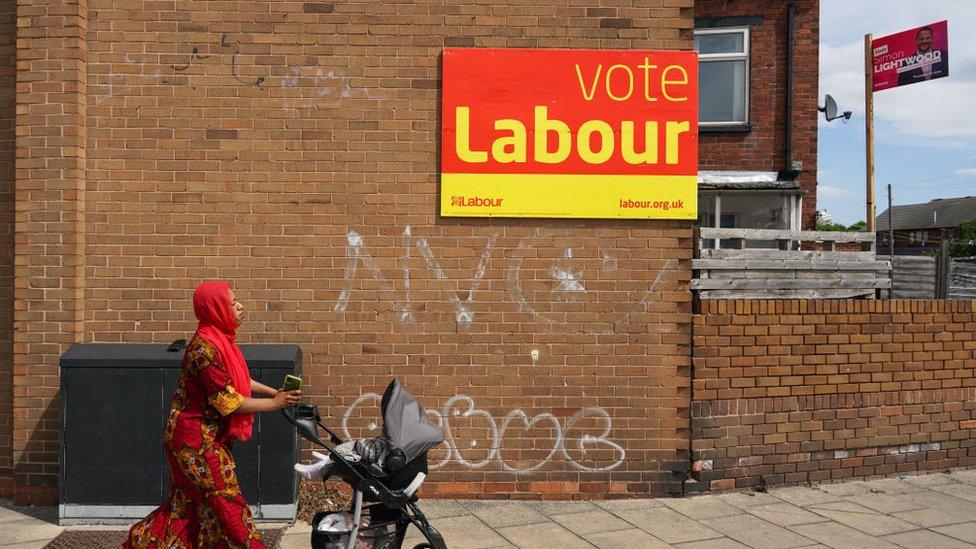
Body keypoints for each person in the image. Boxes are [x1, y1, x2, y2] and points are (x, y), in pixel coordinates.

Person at [121, 281, 302, 549]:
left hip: (203, 437)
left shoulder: (219, 341)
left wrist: (274, 392)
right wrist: (275, 404)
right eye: (232, 303)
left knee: (188, 507)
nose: (240, 306)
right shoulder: (204, 349)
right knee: (226, 501)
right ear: (216, 309)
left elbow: (238, 381)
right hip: (194, 442)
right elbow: (228, 402)